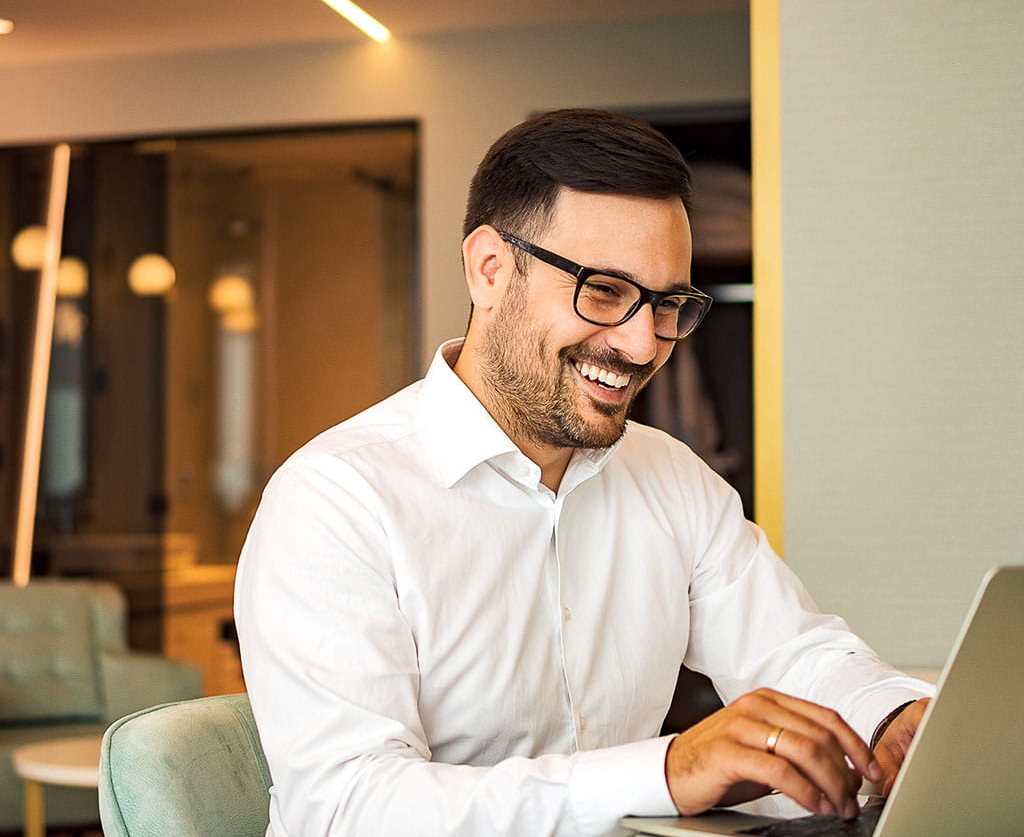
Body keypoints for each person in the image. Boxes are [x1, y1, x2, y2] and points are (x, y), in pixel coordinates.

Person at [233, 109, 933, 837]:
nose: (641, 343)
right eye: (603, 291)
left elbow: (794, 651)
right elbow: (347, 809)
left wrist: (892, 716)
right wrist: (667, 771)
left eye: (668, 304)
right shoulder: (336, 499)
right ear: (490, 269)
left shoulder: (671, 478)